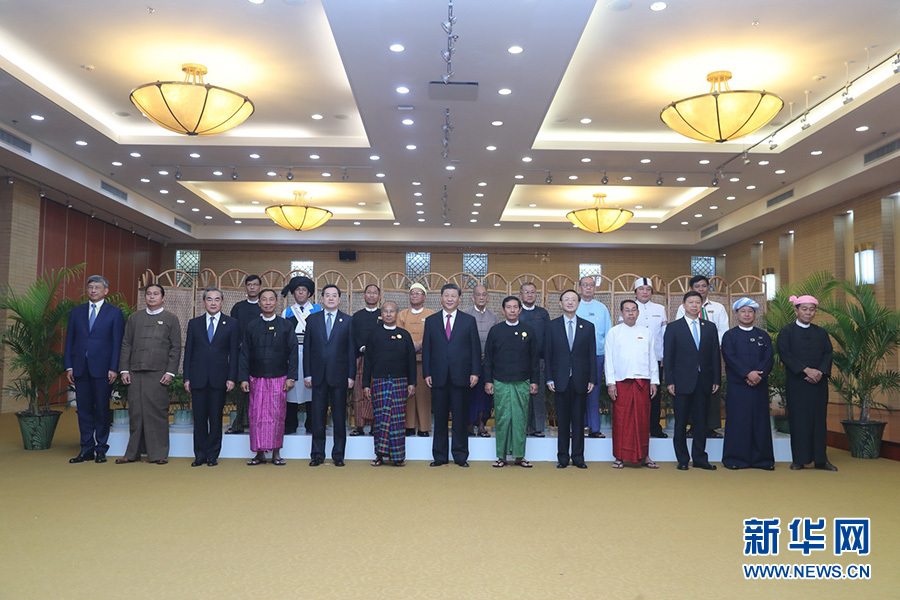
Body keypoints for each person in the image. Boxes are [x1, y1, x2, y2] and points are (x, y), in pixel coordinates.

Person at [116, 284, 181, 465]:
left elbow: (176, 348)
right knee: (136, 412)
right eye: (149, 294)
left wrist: (170, 372)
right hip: (135, 371)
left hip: (159, 373)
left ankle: (158, 454)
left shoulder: (171, 319)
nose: (152, 297)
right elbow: (126, 344)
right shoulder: (135, 317)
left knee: (157, 412)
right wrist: (124, 370)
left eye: (156, 294)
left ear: (163, 297)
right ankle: (132, 453)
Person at [64, 275, 125, 464]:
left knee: (102, 409)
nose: (93, 290)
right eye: (90, 287)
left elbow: (117, 343)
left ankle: (101, 449)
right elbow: (69, 340)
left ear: (106, 291)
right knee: (83, 410)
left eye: (97, 287)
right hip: (80, 368)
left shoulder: (115, 313)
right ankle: (86, 449)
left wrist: (114, 367)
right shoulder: (76, 312)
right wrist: (69, 366)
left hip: (103, 369)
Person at [422, 283, 481, 467]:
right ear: (441, 298)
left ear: (459, 299)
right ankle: (439, 456)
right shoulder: (431, 321)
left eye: (453, 296)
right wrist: (426, 372)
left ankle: (460, 455)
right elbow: (427, 349)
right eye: (446, 295)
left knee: (460, 418)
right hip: (438, 376)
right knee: (439, 418)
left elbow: (475, 348)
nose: (449, 299)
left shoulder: (468, 320)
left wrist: (475, 372)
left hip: (461, 376)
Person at [777, 295, 837, 471]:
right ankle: (799, 459)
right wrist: (805, 370)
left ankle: (820, 459)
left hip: (819, 383)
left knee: (819, 421)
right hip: (797, 383)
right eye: (804, 309)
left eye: (811, 309)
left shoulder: (821, 333)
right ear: (796, 311)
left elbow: (828, 354)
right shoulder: (786, 332)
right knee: (799, 421)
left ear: (815, 312)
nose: (808, 313)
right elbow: (785, 354)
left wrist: (820, 372)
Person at [239, 289, 298, 466]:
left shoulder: (285, 325)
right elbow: (244, 353)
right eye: (264, 300)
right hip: (256, 378)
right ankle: (259, 453)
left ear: (276, 303)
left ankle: (276, 452)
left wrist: (291, 377)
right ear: (259, 303)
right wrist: (243, 378)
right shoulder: (252, 326)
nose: (268, 303)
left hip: (279, 377)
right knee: (256, 415)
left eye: (271, 300)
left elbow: (293, 352)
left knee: (277, 415)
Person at [664, 290, 721, 471]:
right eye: (691, 302)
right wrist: (669, 381)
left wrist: (716, 379)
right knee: (680, 422)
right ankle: (682, 459)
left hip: (704, 381)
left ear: (701, 305)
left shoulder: (709, 327)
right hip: (681, 382)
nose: (694, 305)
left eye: (697, 302)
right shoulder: (673, 327)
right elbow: (668, 357)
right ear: (684, 305)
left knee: (701, 422)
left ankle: (700, 458)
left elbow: (715, 355)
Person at [183, 287, 239, 467]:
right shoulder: (194, 323)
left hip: (219, 378)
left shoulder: (231, 323)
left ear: (222, 302)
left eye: (216, 299)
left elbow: (234, 354)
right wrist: (186, 378)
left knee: (216, 419)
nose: (213, 303)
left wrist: (231, 378)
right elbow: (188, 353)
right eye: (209, 299)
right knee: (199, 420)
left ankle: (213, 455)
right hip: (197, 378)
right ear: (204, 302)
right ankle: (200, 455)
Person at [303, 284, 356, 467]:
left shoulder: (347, 321)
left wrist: (351, 376)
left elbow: (351, 351)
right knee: (317, 417)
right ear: (322, 299)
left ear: (339, 299)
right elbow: (307, 349)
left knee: (339, 417)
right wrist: (307, 374)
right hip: (317, 376)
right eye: (327, 295)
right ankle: (317, 454)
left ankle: (338, 455)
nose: (331, 298)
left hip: (339, 376)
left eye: (334, 295)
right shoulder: (312, 320)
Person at [484, 296, 540, 468]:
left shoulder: (528, 331)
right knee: (502, 419)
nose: (512, 310)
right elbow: (489, 358)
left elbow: (534, 359)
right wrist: (488, 381)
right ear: (503, 310)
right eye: (509, 307)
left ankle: (519, 456)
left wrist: (534, 381)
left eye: (515, 307)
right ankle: (501, 456)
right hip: (500, 381)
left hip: (522, 381)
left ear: (520, 310)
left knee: (520, 419)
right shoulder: (495, 331)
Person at [721, 297, 775, 470]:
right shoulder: (729, 336)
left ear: (755, 314)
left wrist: (758, 376)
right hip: (738, 386)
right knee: (738, 421)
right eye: (743, 311)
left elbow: (768, 358)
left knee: (760, 422)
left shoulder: (763, 335)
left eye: (750, 311)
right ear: (736, 314)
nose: (746, 314)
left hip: (759, 385)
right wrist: (747, 374)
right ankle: (735, 459)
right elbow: (730, 358)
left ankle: (762, 460)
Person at [605, 299, 660, 469]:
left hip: (642, 382)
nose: (630, 313)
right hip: (622, 382)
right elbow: (609, 359)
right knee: (621, 420)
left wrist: (654, 381)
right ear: (621, 313)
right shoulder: (614, 332)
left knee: (643, 420)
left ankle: (645, 456)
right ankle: (620, 456)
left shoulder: (646, 332)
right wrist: (611, 383)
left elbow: (652, 358)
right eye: (627, 310)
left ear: (638, 313)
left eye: (633, 310)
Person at [545, 290, 596, 469]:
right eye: (566, 299)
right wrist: (549, 378)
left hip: (581, 379)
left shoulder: (588, 327)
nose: (569, 302)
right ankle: (563, 458)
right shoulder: (552, 326)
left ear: (578, 303)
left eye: (573, 299)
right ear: (560, 303)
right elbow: (548, 355)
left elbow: (591, 355)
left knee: (579, 421)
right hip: (560, 380)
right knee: (563, 421)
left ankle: (578, 457)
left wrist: (592, 379)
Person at [362, 301, 416, 466]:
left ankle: (398, 457)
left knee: (398, 420)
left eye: (392, 311)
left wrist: (412, 383)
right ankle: (379, 454)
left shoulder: (404, 335)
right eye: (386, 311)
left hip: (400, 382)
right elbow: (368, 361)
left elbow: (411, 361)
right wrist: (366, 384)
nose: (388, 314)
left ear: (396, 313)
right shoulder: (374, 335)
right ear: (381, 314)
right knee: (380, 419)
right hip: (380, 381)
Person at [676, 275, 729, 438]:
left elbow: (723, 329)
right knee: (692, 390)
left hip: (712, 354)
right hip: (690, 358)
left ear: (708, 288)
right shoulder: (682, 308)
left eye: (704, 286)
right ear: (692, 289)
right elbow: (680, 331)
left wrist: (714, 346)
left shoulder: (718, 307)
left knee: (711, 390)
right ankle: (693, 426)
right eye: (697, 286)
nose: (701, 289)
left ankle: (711, 427)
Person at [281, 276, 321, 435]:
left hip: (312, 353)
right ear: (293, 293)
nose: (301, 293)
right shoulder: (287, 311)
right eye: (297, 290)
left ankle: (312, 423)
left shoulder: (318, 310)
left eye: (304, 290)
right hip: (292, 353)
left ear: (309, 293)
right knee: (291, 389)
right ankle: (290, 423)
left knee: (311, 389)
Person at [575, 276, 612, 438]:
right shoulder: (574, 306)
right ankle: (576, 427)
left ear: (595, 288)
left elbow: (608, 335)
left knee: (593, 392)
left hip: (597, 356)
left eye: (591, 285)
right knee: (576, 391)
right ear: (579, 287)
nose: (588, 288)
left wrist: (607, 360)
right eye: (585, 285)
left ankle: (594, 428)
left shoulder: (602, 308)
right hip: (577, 357)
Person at [632, 277, 668, 438]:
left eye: (648, 289)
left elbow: (665, 334)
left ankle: (654, 426)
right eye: (641, 289)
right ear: (636, 292)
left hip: (656, 358)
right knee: (636, 394)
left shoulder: (660, 309)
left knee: (655, 394)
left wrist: (665, 355)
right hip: (634, 359)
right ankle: (637, 426)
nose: (645, 292)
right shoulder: (630, 308)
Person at [397, 283, 434, 437]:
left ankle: (424, 427)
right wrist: (409, 345)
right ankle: (409, 426)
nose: (415, 296)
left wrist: (420, 344)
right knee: (408, 393)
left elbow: (434, 335)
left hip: (424, 361)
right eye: (412, 293)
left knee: (423, 394)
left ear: (424, 297)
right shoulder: (402, 315)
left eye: (418, 293)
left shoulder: (431, 314)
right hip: (406, 361)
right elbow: (398, 334)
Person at [227, 274, 262, 434]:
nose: (252, 287)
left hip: (261, 355)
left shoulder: (264, 306)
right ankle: (239, 423)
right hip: (241, 354)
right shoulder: (238, 307)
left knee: (259, 391)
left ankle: (257, 423)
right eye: (249, 284)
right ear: (245, 287)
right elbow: (232, 330)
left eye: (255, 284)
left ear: (260, 287)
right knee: (242, 389)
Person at [464, 284, 498, 437]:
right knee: (470, 394)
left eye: (484, 294)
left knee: (485, 395)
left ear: (488, 297)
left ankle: (482, 424)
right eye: (478, 295)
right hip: (470, 363)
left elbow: (498, 340)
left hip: (488, 363)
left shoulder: (494, 317)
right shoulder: (466, 315)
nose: (481, 297)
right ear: (473, 298)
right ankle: (469, 424)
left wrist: (489, 355)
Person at [518, 281, 550, 438]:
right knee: (523, 394)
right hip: (520, 361)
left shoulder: (542, 313)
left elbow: (549, 338)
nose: (530, 295)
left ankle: (538, 427)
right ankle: (524, 426)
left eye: (532, 292)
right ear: (520, 295)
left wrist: (547, 361)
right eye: (526, 292)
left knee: (538, 394)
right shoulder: (516, 312)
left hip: (540, 360)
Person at [351, 284, 381, 436]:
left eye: (374, 293)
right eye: (369, 292)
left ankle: (376, 425)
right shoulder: (357, 316)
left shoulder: (383, 315)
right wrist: (362, 347)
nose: (371, 295)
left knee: (377, 392)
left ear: (379, 297)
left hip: (379, 360)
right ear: (364, 296)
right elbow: (353, 336)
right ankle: (359, 426)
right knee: (359, 393)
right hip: (361, 358)